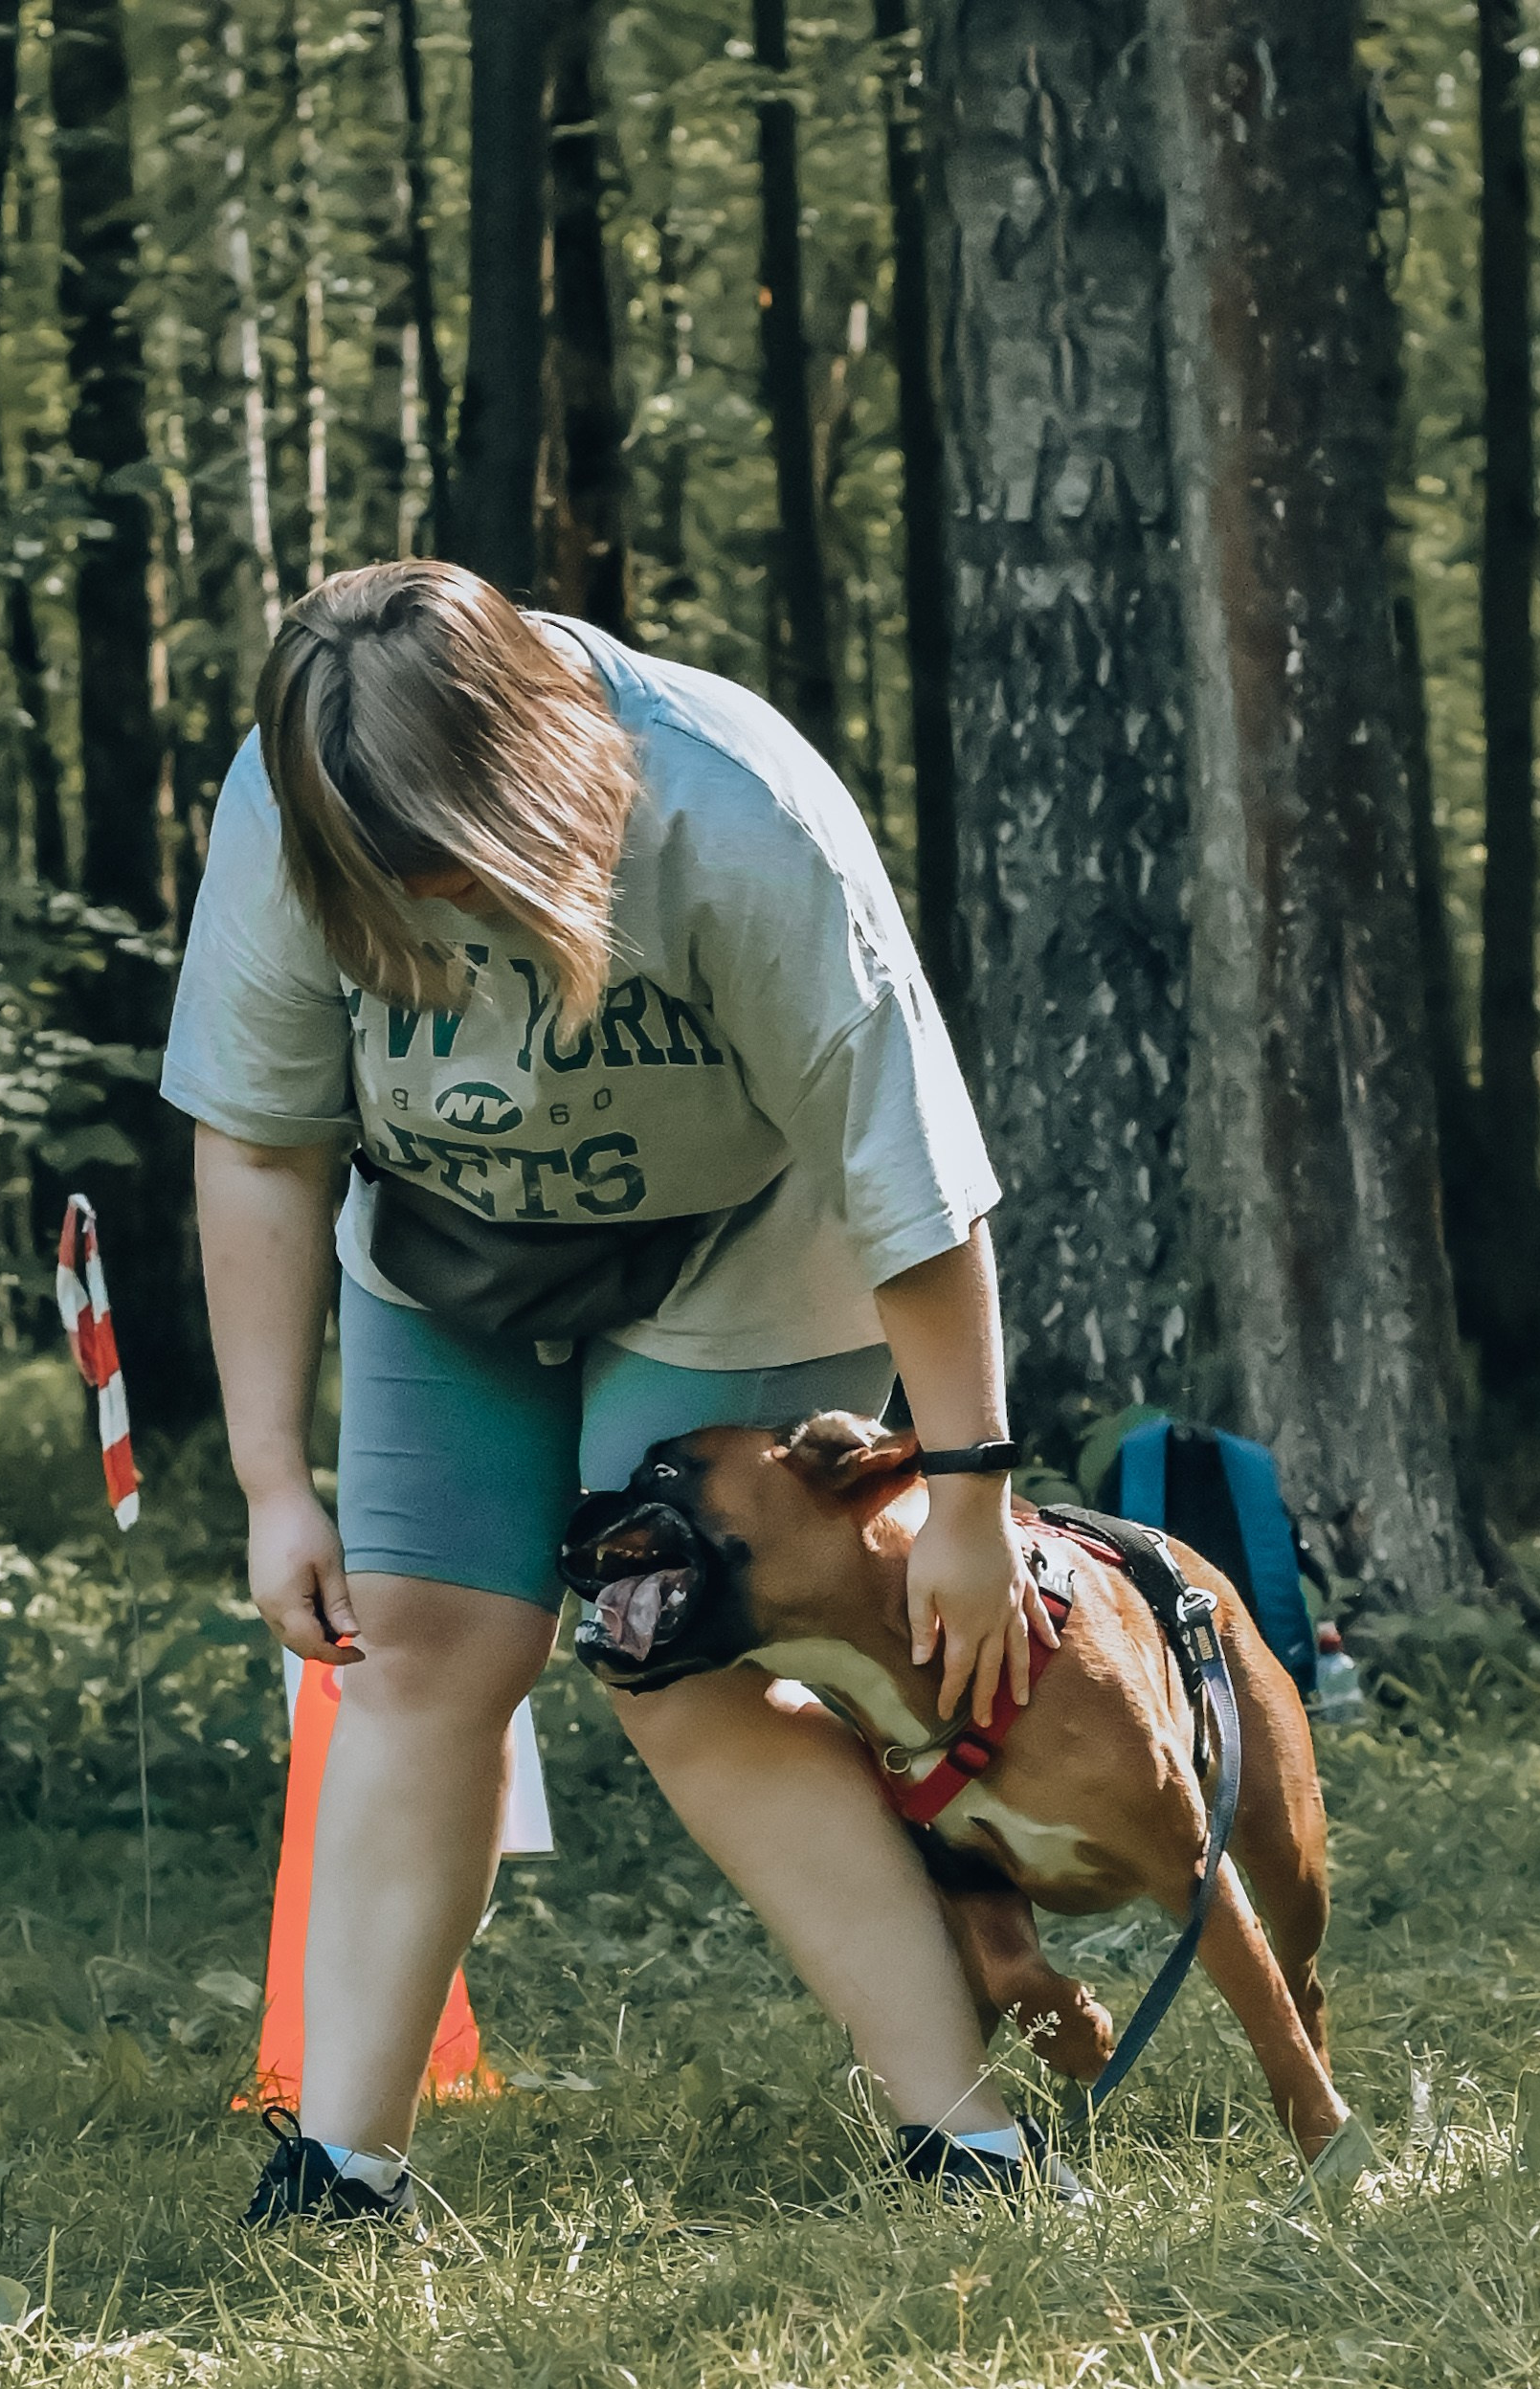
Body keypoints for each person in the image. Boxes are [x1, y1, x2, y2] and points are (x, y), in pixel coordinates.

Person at [161, 559, 1073, 2226]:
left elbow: (912, 1182)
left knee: (679, 1672)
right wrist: (273, 1476)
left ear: (537, 781)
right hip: (454, 1246)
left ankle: (972, 2142)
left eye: (454, 872)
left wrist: (968, 1490)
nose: (428, 918)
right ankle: (341, 2170)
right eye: (394, 890)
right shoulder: (288, 818)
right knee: (426, 1645)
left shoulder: (737, 816)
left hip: (746, 1239)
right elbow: (263, 1144)